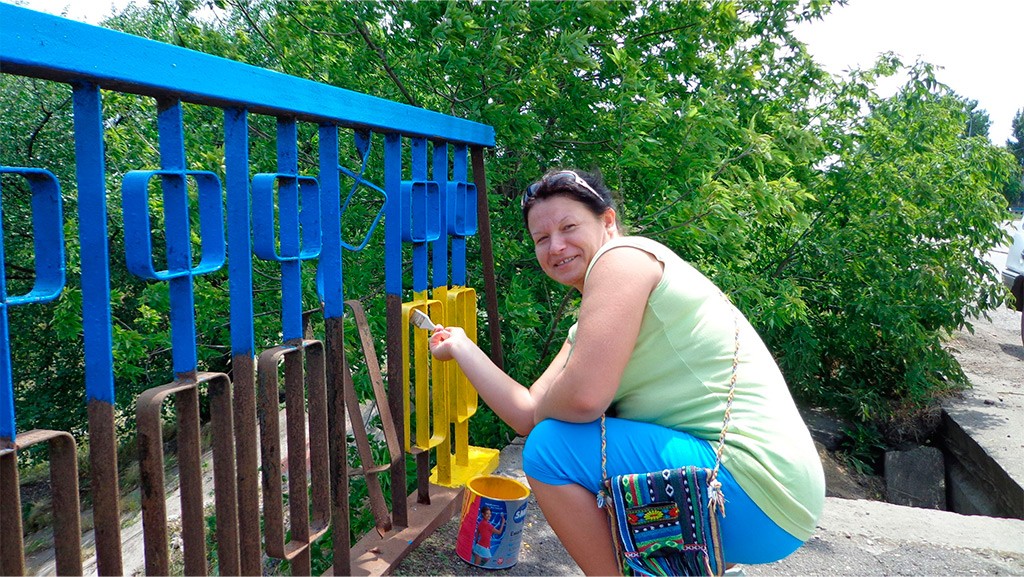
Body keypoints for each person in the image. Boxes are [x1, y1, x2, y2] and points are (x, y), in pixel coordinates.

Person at [428, 168, 825, 575]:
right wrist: (462, 347)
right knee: (548, 436)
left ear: (608, 220)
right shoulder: (590, 324)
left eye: (569, 227)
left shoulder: (624, 259)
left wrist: (559, 398)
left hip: (749, 487)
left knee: (550, 449)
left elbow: (582, 400)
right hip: (771, 504)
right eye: (541, 239)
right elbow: (527, 412)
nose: (556, 246)